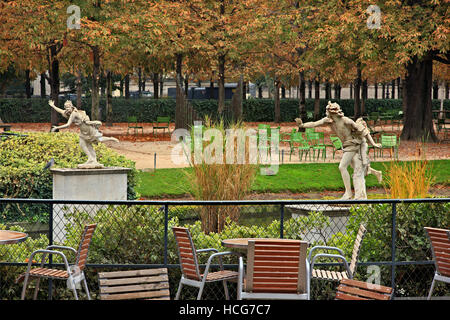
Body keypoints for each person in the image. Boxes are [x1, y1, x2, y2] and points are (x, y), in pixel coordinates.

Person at [295, 101, 382, 200]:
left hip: (353, 145)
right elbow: (315, 123)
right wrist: (302, 125)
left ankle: (349, 193)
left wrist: (374, 143)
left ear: (333, 112)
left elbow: (364, 131)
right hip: (347, 146)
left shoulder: (346, 121)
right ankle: (360, 195)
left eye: (328, 111)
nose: (326, 113)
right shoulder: (328, 121)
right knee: (358, 170)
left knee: (342, 167)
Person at [49, 100, 118, 168]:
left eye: (68, 107)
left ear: (72, 106)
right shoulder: (68, 113)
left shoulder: (74, 113)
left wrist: (57, 127)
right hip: (83, 131)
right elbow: (61, 111)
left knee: (99, 139)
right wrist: (53, 106)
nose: (67, 109)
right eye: (66, 107)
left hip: (89, 129)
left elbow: (68, 125)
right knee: (83, 144)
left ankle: (110, 138)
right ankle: (92, 159)